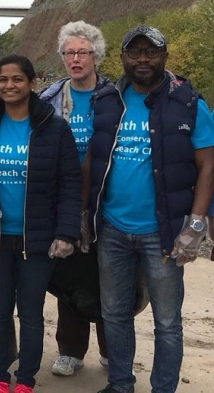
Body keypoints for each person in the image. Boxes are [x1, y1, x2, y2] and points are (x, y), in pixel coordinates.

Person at [85, 26, 214, 393]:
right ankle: (121, 384)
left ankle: (162, 388)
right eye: (134, 52)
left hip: (165, 233)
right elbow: (93, 158)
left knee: (168, 320)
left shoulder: (188, 102)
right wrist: (83, 214)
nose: (143, 59)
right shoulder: (107, 100)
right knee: (114, 314)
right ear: (122, 57)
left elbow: (208, 165)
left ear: (165, 56)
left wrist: (196, 224)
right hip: (111, 229)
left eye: (151, 52)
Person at [0, 54, 82, 393]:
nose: (9, 86)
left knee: (30, 314)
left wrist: (67, 233)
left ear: (32, 84)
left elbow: (70, 184)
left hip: (37, 241)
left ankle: (26, 379)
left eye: (17, 79)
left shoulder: (54, 128)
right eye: (3, 80)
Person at [38, 21, 110, 376]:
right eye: (69, 53)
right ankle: (70, 350)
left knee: (110, 275)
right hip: (63, 199)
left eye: (83, 52)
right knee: (69, 274)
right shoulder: (48, 99)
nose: (76, 59)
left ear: (96, 55)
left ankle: (113, 349)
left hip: (106, 199)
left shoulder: (116, 96)